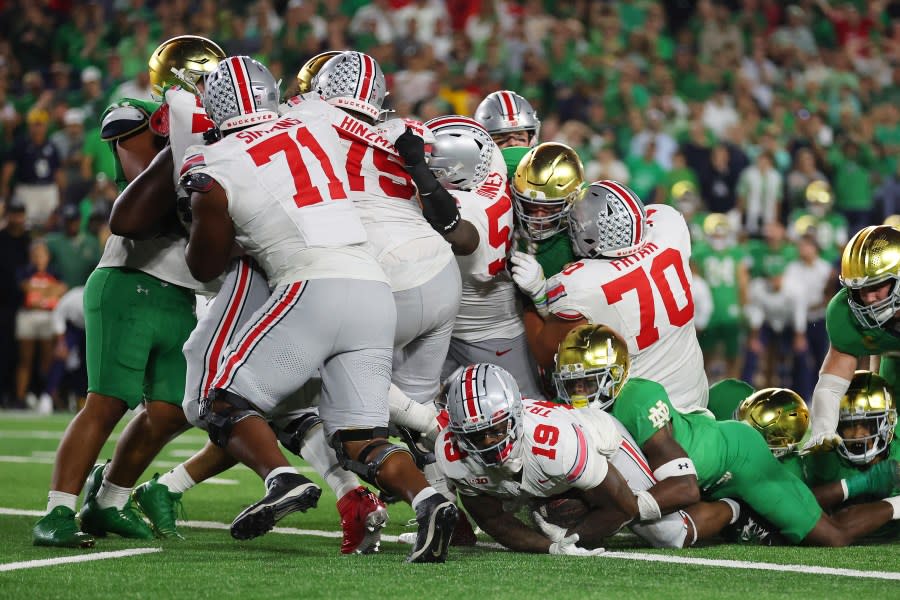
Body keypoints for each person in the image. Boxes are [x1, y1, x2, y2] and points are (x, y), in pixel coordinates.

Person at [181, 55, 456, 563]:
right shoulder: (311, 124)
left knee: (216, 400)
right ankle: (429, 499)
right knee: (360, 438)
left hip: (311, 287)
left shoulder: (212, 161)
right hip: (375, 291)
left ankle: (280, 478)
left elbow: (204, 266)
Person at [32, 35, 226, 549]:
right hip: (129, 279)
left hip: (183, 294)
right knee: (107, 401)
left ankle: (111, 499)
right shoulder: (139, 114)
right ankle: (56, 511)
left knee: (171, 410)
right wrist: (182, 140)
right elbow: (140, 179)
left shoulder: (225, 134)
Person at [555, 322, 900, 546]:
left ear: (617, 374)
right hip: (698, 470)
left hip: (736, 456)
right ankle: (737, 509)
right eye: (571, 383)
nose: (579, 394)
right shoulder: (574, 409)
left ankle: (890, 502)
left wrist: (620, 511)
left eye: (588, 381)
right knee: (670, 532)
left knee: (830, 535)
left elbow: (684, 486)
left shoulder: (637, 398)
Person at [515, 180, 710, 413]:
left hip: (647, 412)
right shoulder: (670, 226)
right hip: (695, 391)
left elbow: (545, 352)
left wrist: (533, 296)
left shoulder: (581, 284)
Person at [420, 115, 543, 399]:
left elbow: (459, 232)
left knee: (523, 412)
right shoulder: (497, 167)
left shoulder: (463, 209)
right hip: (467, 325)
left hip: (487, 330)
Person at [803, 225, 900, 455]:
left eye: (876, 286)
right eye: (859, 289)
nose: (867, 298)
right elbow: (830, 386)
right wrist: (823, 427)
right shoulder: (844, 312)